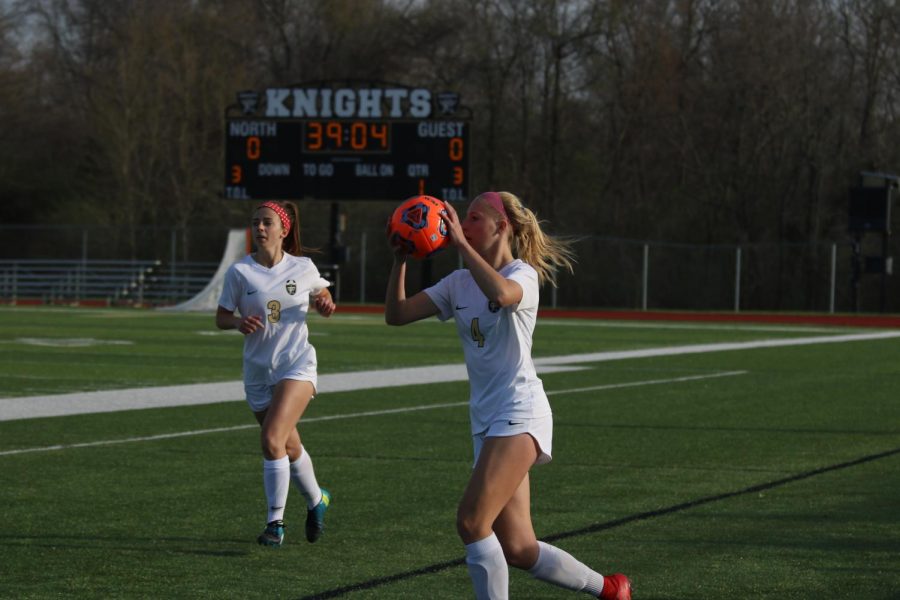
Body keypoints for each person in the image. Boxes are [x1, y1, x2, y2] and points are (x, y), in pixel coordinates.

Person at [385, 191, 632, 599]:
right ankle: (609, 589)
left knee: (470, 521)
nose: (462, 225)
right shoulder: (457, 283)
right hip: (486, 420)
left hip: (520, 412)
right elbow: (397, 315)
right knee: (518, 548)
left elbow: (501, 295)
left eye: (474, 218)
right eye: (463, 219)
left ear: (502, 226)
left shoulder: (523, 276)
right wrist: (400, 260)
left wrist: (461, 247)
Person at [216, 200, 336, 548]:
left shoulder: (303, 267)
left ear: (284, 230)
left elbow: (322, 292)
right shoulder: (240, 272)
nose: (260, 229)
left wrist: (325, 302)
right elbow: (221, 316)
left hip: (296, 365)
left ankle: (275, 523)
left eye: (267, 222)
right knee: (288, 444)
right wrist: (238, 321)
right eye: (255, 223)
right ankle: (317, 499)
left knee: (271, 440)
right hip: (257, 372)